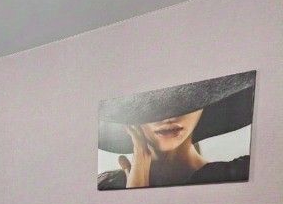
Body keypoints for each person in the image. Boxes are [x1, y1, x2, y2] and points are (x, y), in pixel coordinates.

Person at [97, 71, 255, 190]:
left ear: (205, 107)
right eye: (153, 108)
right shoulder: (107, 185)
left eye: (187, 103)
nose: (168, 118)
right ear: (130, 120)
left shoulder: (240, 172)